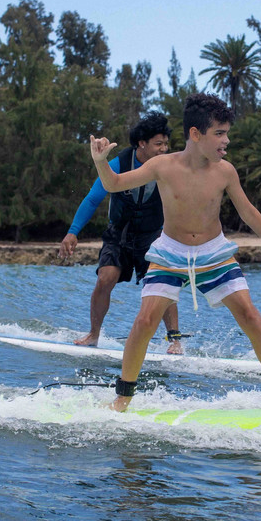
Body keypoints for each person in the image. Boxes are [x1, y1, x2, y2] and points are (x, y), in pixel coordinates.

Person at [88, 92, 261, 413]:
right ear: (196, 134)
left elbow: (248, 211)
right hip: (170, 251)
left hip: (214, 252)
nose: (227, 140)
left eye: (227, 133)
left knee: (249, 315)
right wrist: (99, 162)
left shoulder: (225, 171)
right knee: (145, 321)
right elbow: (114, 184)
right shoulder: (163, 166)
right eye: (219, 133)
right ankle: (122, 399)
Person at [58, 112, 184, 354]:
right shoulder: (119, 164)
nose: (164, 149)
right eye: (158, 144)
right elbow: (93, 198)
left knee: (163, 282)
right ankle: (94, 335)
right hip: (119, 233)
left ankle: (174, 340)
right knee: (105, 277)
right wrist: (73, 232)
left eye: (166, 144)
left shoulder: (169, 168)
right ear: (142, 143)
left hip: (152, 235)